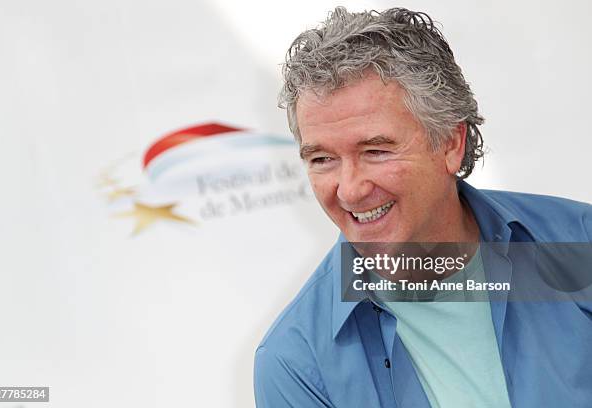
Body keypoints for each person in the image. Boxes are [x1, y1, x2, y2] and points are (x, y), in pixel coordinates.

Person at [254, 7, 592, 408]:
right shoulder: (295, 362)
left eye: (376, 151)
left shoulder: (579, 243)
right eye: (322, 159)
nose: (350, 190)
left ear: (451, 143)